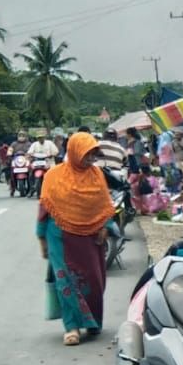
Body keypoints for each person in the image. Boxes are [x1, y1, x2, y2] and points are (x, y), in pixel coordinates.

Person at [36, 132, 115, 347]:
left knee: (94, 280)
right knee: (67, 282)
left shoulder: (97, 174)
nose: (90, 158)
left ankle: (92, 321)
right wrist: (41, 238)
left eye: (93, 153)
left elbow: (104, 203)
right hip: (60, 236)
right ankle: (71, 327)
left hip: (91, 237)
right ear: (74, 152)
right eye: (87, 153)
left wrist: (105, 227)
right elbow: (44, 207)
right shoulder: (53, 175)